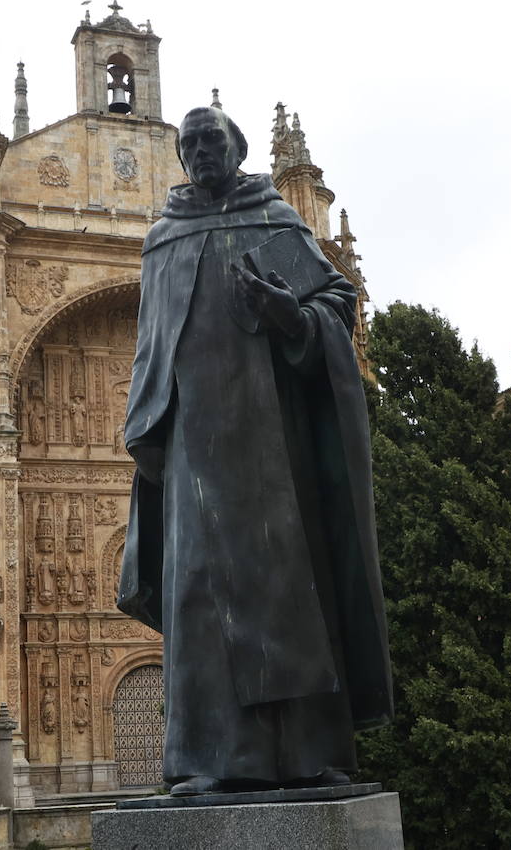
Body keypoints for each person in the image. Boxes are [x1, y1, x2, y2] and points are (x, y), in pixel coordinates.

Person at [118, 106, 393, 797]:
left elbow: (337, 302)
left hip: (276, 441)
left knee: (292, 589)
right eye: (191, 145)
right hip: (191, 448)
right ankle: (210, 761)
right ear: (181, 159)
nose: (202, 151)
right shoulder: (163, 238)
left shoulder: (273, 219)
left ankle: (311, 753)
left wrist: (290, 316)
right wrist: (147, 431)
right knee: (199, 601)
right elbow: (150, 347)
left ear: (238, 149)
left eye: (214, 140)